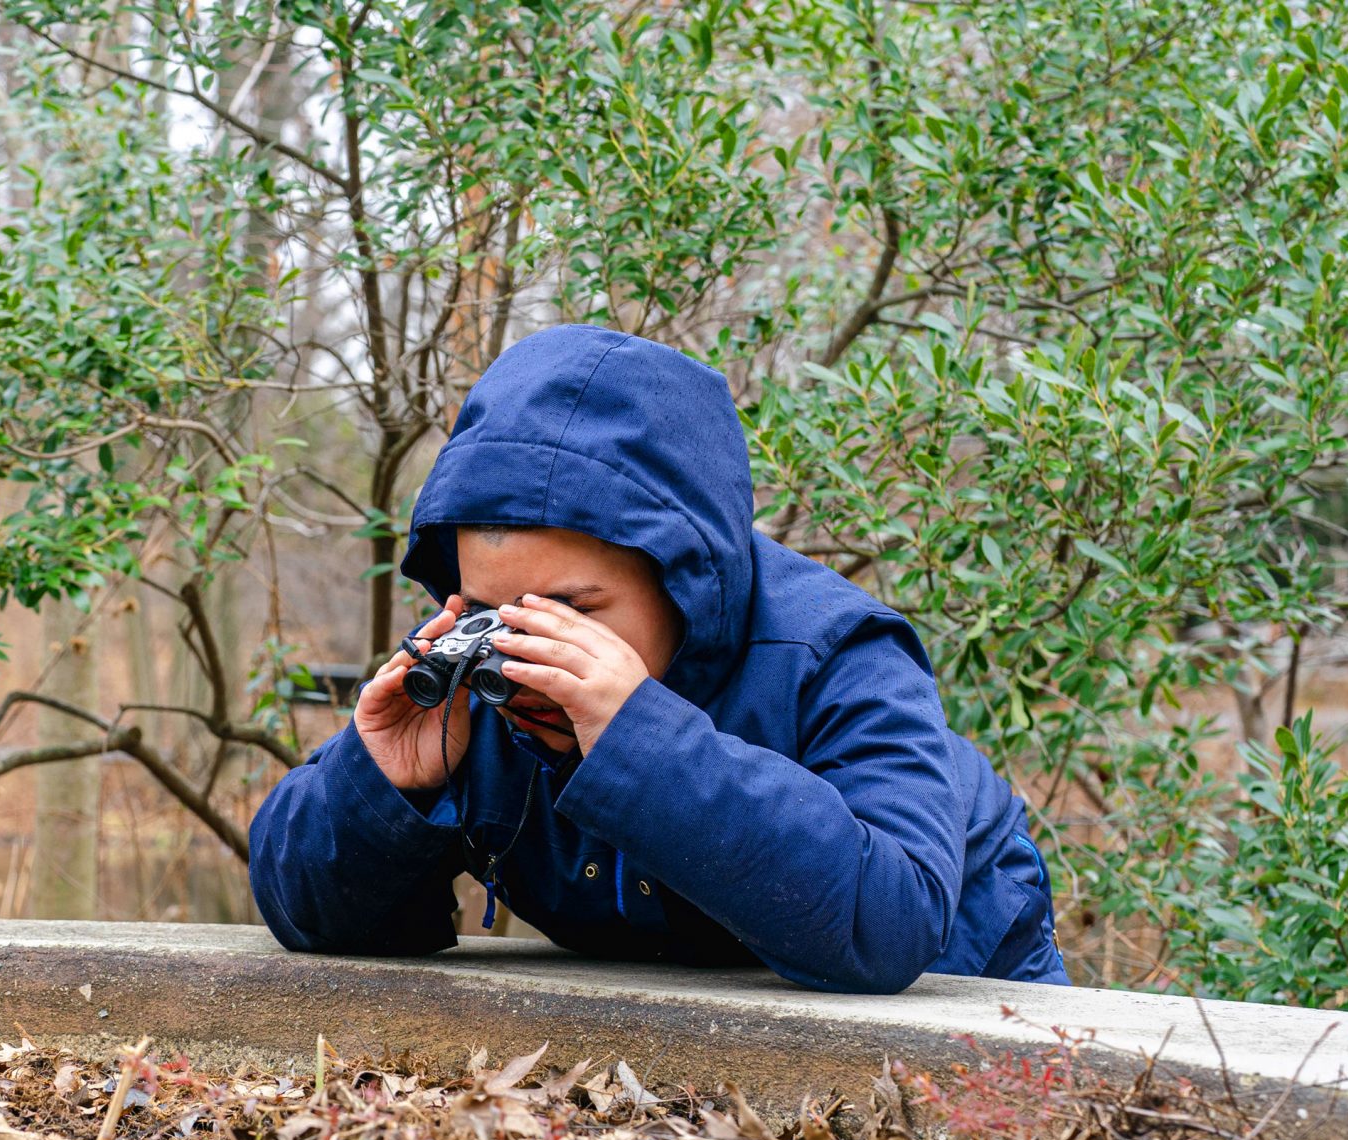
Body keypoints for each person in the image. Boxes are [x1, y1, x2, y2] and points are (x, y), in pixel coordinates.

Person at [247, 324, 1067, 992]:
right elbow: (312, 912)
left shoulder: (838, 652)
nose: (524, 646)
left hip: (964, 976)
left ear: (685, 580)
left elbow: (889, 921)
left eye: (570, 611)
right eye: (493, 611)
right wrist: (385, 786)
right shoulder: (469, 681)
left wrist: (640, 739)